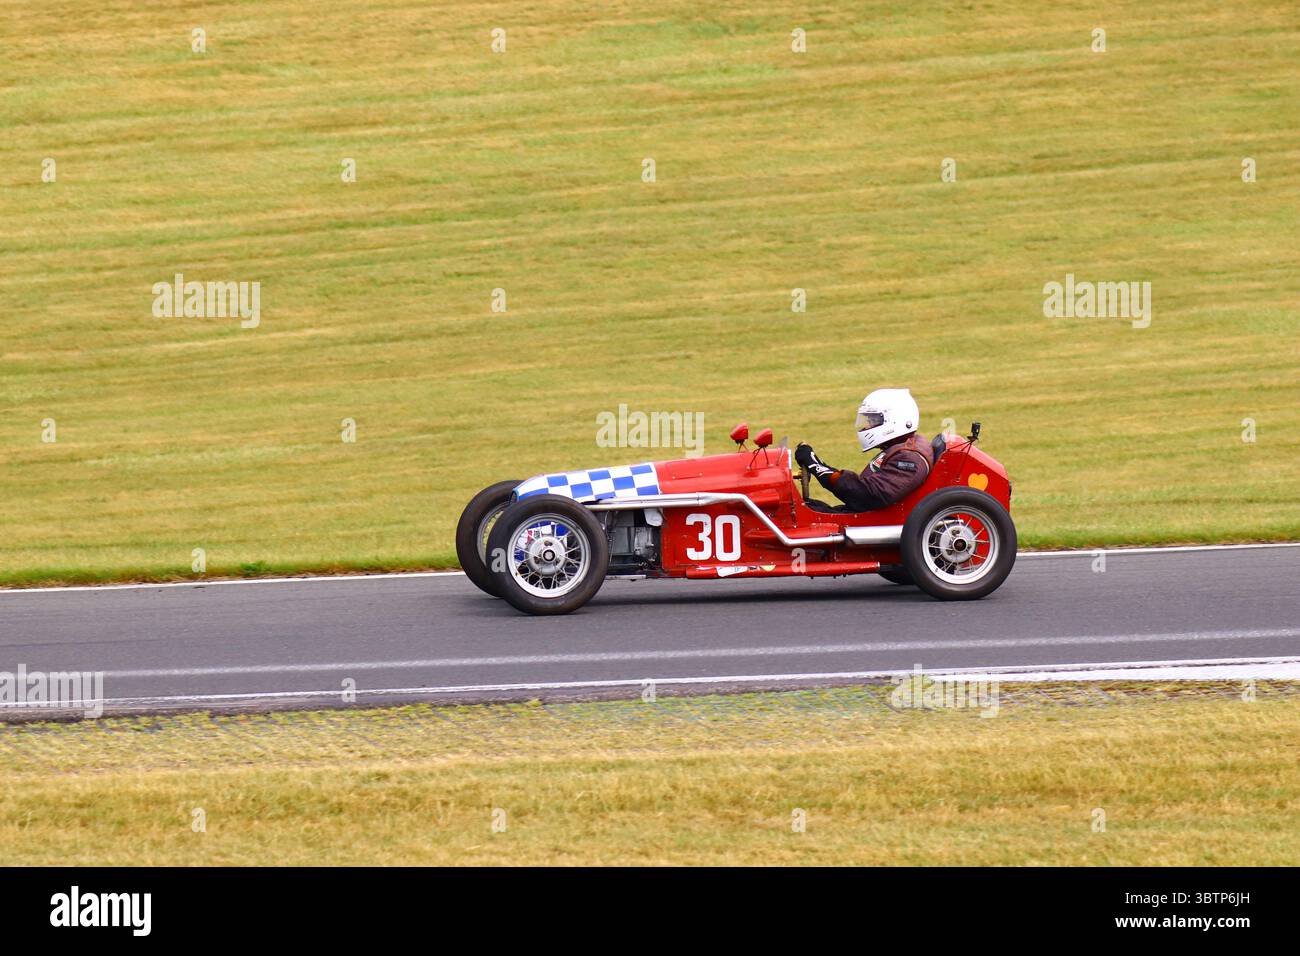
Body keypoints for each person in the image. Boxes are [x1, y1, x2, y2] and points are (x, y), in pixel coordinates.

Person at [795, 388, 933, 512]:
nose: (866, 427)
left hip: (875, 524)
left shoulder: (910, 459)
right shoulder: (902, 448)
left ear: (895, 421)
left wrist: (816, 466)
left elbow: (867, 496)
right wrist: (819, 466)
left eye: (872, 421)